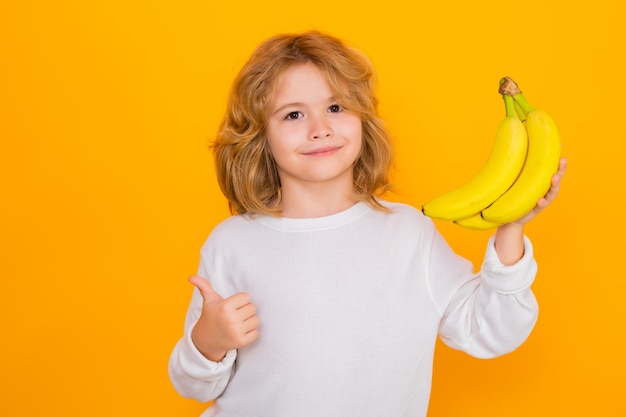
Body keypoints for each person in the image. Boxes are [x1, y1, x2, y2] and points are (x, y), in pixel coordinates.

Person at [168, 30, 566, 417]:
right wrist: (208, 342)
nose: (319, 127)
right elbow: (193, 385)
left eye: (336, 108)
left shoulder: (409, 235)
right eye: (293, 114)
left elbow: (490, 331)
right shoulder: (233, 243)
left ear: (362, 120)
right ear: (261, 138)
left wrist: (511, 228)